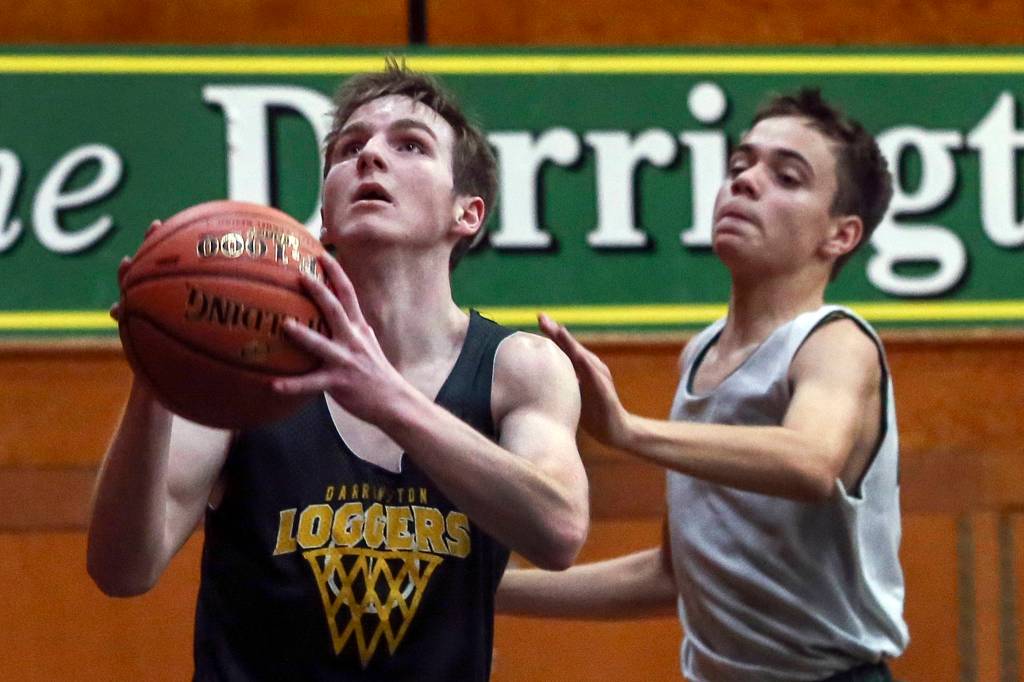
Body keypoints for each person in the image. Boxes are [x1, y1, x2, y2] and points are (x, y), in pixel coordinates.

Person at [87, 59, 589, 681]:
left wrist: (389, 400)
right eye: (350, 148)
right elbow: (122, 570)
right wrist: (156, 378)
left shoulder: (520, 367)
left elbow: (559, 531)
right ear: (325, 214)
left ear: (467, 214)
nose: (370, 155)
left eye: (410, 145)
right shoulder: (249, 358)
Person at [497, 89, 909, 681]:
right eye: (740, 164)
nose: (745, 182)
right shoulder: (700, 354)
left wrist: (628, 431)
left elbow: (811, 462)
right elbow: (672, 576)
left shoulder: (836, 341)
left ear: (840, 235)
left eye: (787, 177)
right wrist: (484, 589)